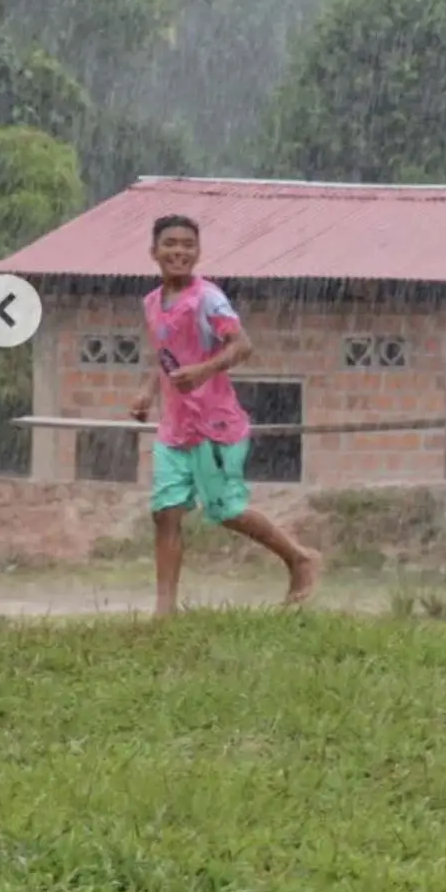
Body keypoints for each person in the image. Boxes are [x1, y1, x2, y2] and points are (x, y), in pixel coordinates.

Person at [130, 214, 321, 616]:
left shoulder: (208, 299)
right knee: (164, 513)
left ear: (198, 253)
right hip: (174, 429)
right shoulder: (152, 302)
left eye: (187, 245)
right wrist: (147, 393)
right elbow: (164, 355)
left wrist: (201, 372)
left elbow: (242, 345)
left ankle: (299, 558)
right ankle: (164, 611)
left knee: (226, 511)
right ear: (154, 252)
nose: (179, 251)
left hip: (214, 427)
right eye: (170, 244)